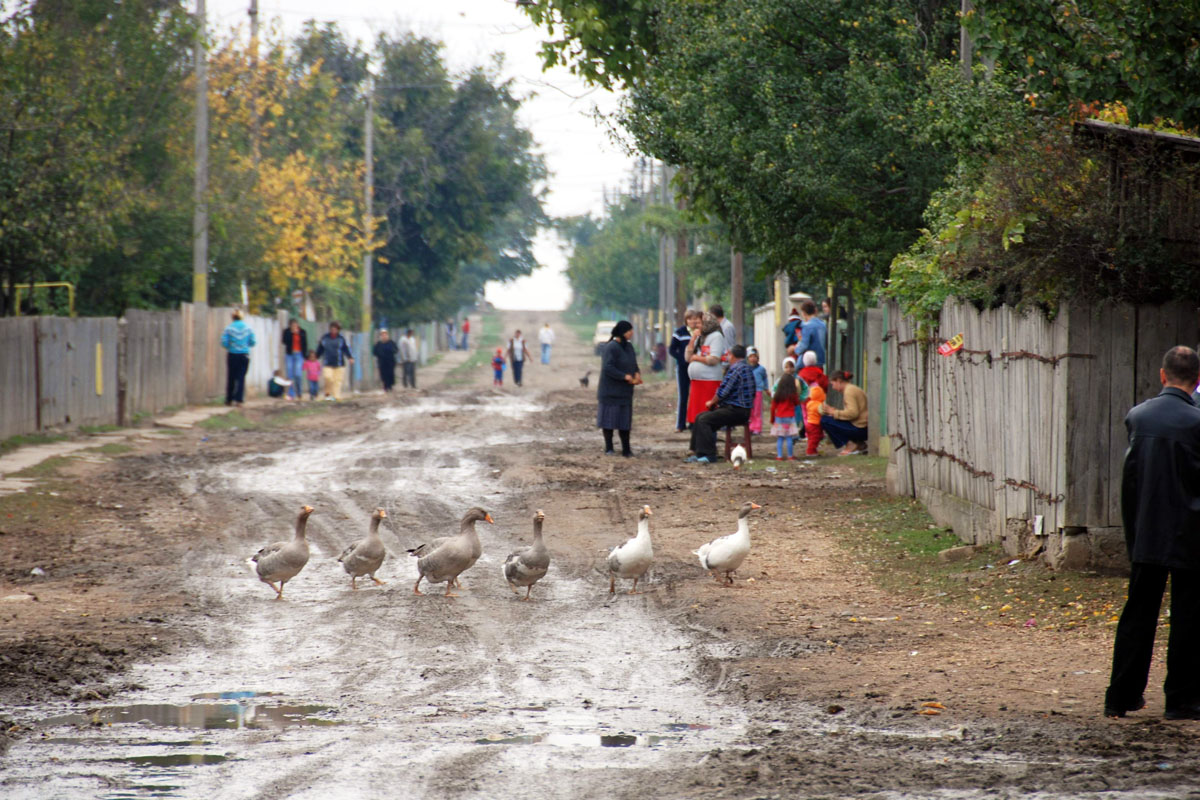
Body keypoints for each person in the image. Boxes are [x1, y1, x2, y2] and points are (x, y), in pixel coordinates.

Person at [1105, 346, 1200, 721]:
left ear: (1163, 376)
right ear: (1196, 382)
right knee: (1189, 618)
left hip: (1147, 532)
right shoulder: (1196, 422)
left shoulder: (1138, 418)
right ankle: (1182, 699)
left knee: (1139, 614)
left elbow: (1133, 479)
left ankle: (1121, 696)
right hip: (1190, 535)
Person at [687, 344, 754, 464]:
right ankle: (698, 452)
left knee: (704, 420)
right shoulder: (747, 368)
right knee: (700, 417)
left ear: (732, 355)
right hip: (743, 410)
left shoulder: (735, 369)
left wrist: (712, 402)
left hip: (736, 410)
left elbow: (723, 392)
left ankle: (708, 455)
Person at [596, 320, 642, 457]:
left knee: (624, 422)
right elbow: (607, 367)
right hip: (610, 391)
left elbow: (633, 363)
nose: (631, 333)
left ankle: (626, 449)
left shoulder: (629, 346)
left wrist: (637, 373)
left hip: (625, 392)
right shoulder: (611, 347)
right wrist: (624, 376)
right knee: (609, 422)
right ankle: (609, 447)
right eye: (629, 331)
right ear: (622, 332)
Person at [685, 312, 727, 425]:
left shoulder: (716, 336)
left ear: (707, 323)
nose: (696, 325)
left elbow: (714, 359)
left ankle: (708, 439)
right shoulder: (700, 337)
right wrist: (693, 338)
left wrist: (696, 358)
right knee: (696, 417)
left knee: (707, 416)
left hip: (709, 381)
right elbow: (687, 357)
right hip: (697, 383)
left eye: (699, 323)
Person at [819, 370, 868, 455]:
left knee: (825, 420)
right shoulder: (852, 389)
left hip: (860, 428)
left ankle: (850, 444)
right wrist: (834, 412)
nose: (833, 388)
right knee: (829, 419)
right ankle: (859, 444)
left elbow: (853, 413)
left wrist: (834, 412)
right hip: (863, 426)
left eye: (833, 384)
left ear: (839, 381)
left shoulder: (849, 391)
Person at [669, 309, 701, 432]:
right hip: (683, 368)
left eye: (695, 319)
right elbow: (672, 350)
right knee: (683, 395)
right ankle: (680, 424)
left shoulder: (701, 333)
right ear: (686, 320)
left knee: (695, 395)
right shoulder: (680, 333)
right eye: (690, 319)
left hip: (698, 368)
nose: (693, 321)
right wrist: (682, 359)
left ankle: (694, 422)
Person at [220, 309, 256, 407]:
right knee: (241, 377)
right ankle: (239, 400)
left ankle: (229, 399)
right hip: (244, 355)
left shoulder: (229, 328)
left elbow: (224, 342)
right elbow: (253, 342)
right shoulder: (248, 328)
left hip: (232, 355)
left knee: (231, 377)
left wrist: (231, 346)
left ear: (233, 317)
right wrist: (245, 345)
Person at [316, 321, 353, 401]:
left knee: (337, 381)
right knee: (328, 378)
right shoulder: (325, 338)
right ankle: (328, 395)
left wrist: (350, 357)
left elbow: (345, 349)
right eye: (332, 328)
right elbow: (320, 349)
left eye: (335, 328)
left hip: (339, 364)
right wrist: (316, 357)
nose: (333, 330)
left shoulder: (341, 339)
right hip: (327, 363)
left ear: (338, 330)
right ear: (330, 328)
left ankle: (336, 396)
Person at [770, 362, 800, 460]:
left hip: (779, 417)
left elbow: (773, 407)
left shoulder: (778, 395)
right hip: (790, 418)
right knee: (789, 437)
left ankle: (779, 456)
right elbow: (796, 403)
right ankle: (790, 455)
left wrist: (772, 418)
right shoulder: (792, 394)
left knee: (780, 438)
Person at [798, 350, 827, 429]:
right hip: (817, 397)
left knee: (806, 414)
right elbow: (824, 383)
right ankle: (819, 430)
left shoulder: (801, 373)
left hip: (806, 397)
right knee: (818, 413)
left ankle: (808, 432)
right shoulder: (819, 371)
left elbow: (799, 385)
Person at [793, 299, 827, 367]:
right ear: (815, 311)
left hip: (808, 362)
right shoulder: (823, 325)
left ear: (804, 313)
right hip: (821, 361)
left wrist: (796, 349)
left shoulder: (807, 326)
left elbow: (804, 345)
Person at [803, 366, 827, 456]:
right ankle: (811, 451)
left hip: (809, 423)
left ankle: (812, 450)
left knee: (810, 438)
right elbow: (821, 412)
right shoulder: (818, 405)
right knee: (815, 438)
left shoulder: (810, 403)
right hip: (815, 424)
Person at [281, 319, 308, 401]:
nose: (294, 327)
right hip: (289, 354)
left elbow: (305, 344)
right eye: (292, 325)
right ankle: (291, 394)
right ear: (290, 326)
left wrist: (305, 357)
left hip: (299, 354)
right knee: (289, 375)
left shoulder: (302, 332)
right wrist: (291, 333)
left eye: (295, 325)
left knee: (298, 374)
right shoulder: (287, 332)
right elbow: (284, 341)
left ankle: (299, 392)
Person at [747, 347, 769, 435]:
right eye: (751, 356)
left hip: (758, 391)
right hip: (748, 391)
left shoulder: (761, 369)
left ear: (758, 358)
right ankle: (751, 427)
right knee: (750, 410)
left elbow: (765, 379)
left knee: (757, 410)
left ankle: (757, 427)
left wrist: (766, 388)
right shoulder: (747, 369)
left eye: (754, 356)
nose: (753, 358)